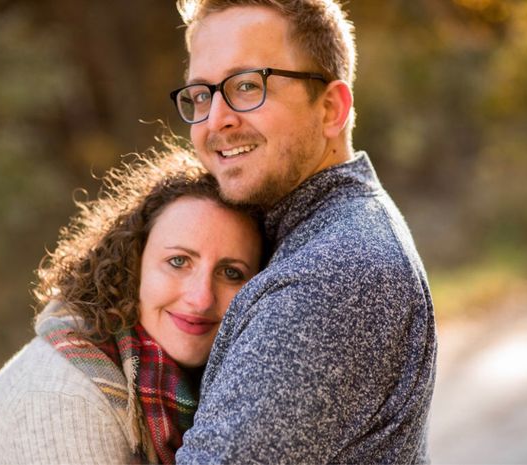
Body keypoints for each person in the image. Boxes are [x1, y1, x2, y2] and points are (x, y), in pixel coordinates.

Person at [169, 1, 437, 463]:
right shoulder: (300, 238)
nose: (215, 121)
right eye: (200, 95)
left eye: (247, 86)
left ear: (331, 108)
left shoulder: (334, 273)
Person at [0, 149, 264, 464]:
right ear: (133, 264)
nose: (201, 298)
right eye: (178, 261)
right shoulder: (68, 401)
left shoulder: (209, 391)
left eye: (231, 273)